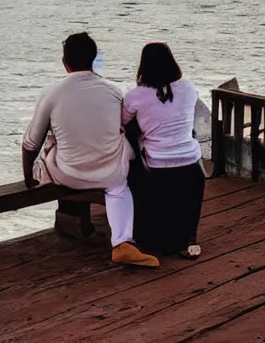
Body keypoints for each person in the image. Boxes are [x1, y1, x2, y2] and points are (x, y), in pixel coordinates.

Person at [22, 32, 159, 268]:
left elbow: (30, 144)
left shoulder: (52, 93)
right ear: (93, 59)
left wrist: (27, 176)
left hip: (68, 174)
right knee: (119, 188)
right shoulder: (114, 91)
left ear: (65, 63)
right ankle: (122, 243)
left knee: (52, 146)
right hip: (110, 173)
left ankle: (114, 239)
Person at [122, 42, 205, 259]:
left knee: (132, 146)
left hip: (156, 165)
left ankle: (143, 233)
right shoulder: (188, 87)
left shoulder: (135, 96)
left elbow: (121, 123)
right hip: (190, 162)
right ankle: (189, 238)